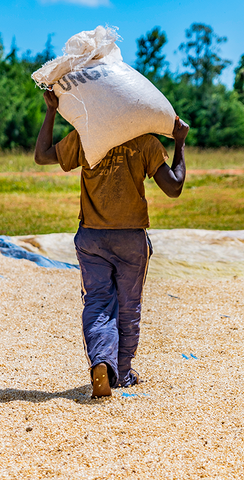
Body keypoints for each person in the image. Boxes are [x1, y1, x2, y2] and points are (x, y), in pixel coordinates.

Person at [34, 89, 188, 398]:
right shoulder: (146, 143)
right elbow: (173, 187)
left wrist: (51, 110)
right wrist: (180, 143)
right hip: (130, 238)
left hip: (92, 237)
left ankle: (102, 362)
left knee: (98, 303)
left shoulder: (86, 137)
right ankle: (124, 373)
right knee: (129, 308)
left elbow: (42, 155)